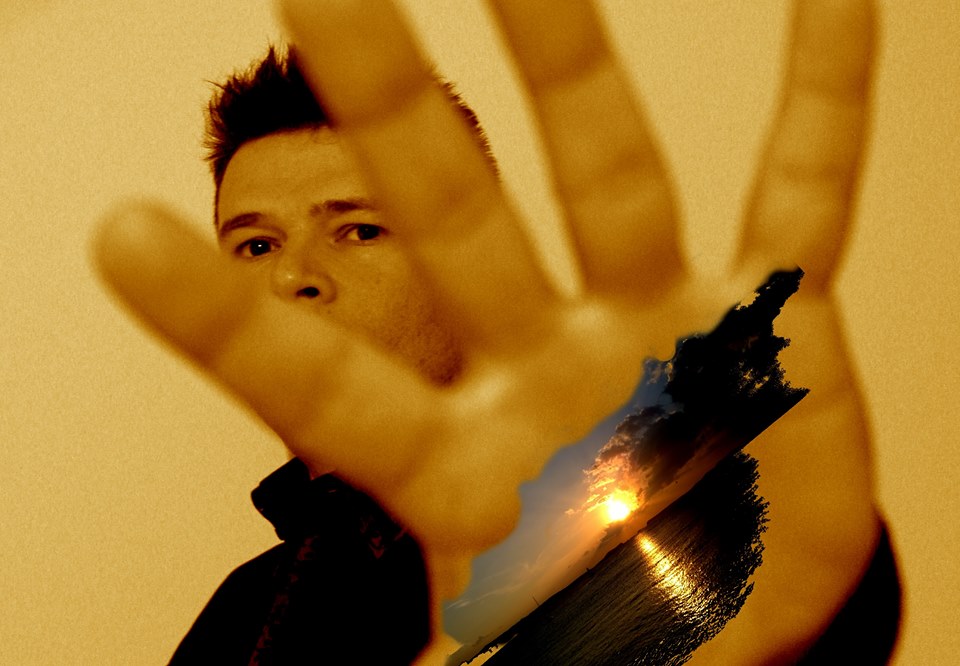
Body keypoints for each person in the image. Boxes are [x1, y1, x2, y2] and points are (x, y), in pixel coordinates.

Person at [94, 0, 896, 663]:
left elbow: (773, 602)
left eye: (360, 230)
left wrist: (730, 525)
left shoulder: (626, 530)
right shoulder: (238, 620)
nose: (292, 277)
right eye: (254, 246)